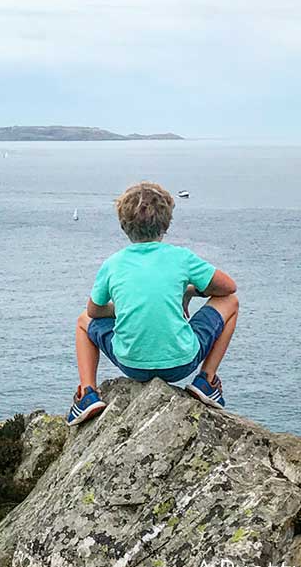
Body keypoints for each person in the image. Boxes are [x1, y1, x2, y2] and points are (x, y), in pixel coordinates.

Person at [67, 181, 239, 426]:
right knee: (231, 303)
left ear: (124, 225)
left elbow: (93, 312)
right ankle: (206, 380)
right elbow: (228, 288)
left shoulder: (113, 263)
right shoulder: (182, 258)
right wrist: (189, 290)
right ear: (166, 223)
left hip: (131, 364)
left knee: (83, 322)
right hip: (182, 363)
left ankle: (87, 394)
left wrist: (121, 309)